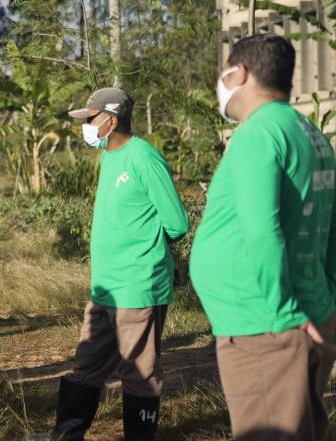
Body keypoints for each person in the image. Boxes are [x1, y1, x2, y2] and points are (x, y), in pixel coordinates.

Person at [191, 34, 336, 441]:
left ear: (241, 72)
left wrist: (282, 313)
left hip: (264, 325)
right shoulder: (310, 134)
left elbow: (263, 230)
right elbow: (331, 226)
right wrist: (330, 303)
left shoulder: (258, 135)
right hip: (306, 313)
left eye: (224, 71)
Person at [50, 87, 189, 440]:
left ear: (111, 121)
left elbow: (176, 222)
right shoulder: (109, 156)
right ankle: (67, 434)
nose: (86, 126)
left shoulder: (143, 158)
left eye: (91, 119)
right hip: (105, 288)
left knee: (138, 373)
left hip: (138, 285)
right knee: (86, 366)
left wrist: (145, 253)